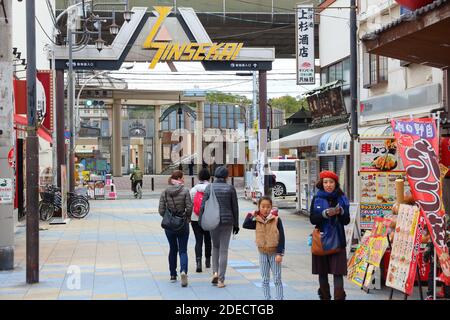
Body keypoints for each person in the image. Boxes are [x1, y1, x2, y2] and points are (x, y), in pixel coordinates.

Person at [310, 170, 350, 300]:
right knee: (322, 272)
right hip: (321, 240)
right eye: (326, 182)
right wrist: (324, 214)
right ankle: (325, 296)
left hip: (338, 240)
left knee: (337, 273)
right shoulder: (317, 198)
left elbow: (346, 221)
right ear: (322, 183)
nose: (328, 185)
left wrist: (342, 212)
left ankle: (339, 297)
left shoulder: (342, 198)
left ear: (336, 183)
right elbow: (313, 220)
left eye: (331, 182)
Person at [199, 166, 239, 288]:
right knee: (224, 250)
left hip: (213, 220)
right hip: (227, 221)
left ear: (215, 176)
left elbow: (203, 206)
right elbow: (235, 207)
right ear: (226, 176)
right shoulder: (230, 188)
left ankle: (215, 273)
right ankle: (221, 279)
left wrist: (201, 221)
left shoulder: (209, 187)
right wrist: (236, 224)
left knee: (215, 247)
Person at [243, 196, 285, 300]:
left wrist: (280, 253)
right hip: (262, 252)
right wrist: (251, 214)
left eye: (268, 207)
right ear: (259, 207)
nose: (265, 209)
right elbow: (245, 224)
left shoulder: (276, 219)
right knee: (265, 279)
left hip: (274, 253)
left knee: (277, 279)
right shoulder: (257, 221)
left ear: (271, 207)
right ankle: (267, 298)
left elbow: (282, 237)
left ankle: (279, 298)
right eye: (263, 207)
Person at [158, 170, 193, 287]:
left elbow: (161, 210)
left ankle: (173, 274)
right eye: (183, 178)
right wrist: (186, 217)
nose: (184, 180)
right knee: (183, 250)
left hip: (169, 225)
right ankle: (183, 271)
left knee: (173, 249)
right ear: (178, 178)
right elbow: (189, 207)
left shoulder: (165, 192)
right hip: (183, 223)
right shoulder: (185, 191)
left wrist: (168, 218)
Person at [190, 168, 212, 272]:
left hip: (195, 218)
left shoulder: (193, 190)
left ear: (199, 178)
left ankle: (198, 263)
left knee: (198, 241)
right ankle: (208, 261)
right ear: (209, 177)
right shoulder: (211, 189)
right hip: (208, 217)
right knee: (208, 240)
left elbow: (190, 204)